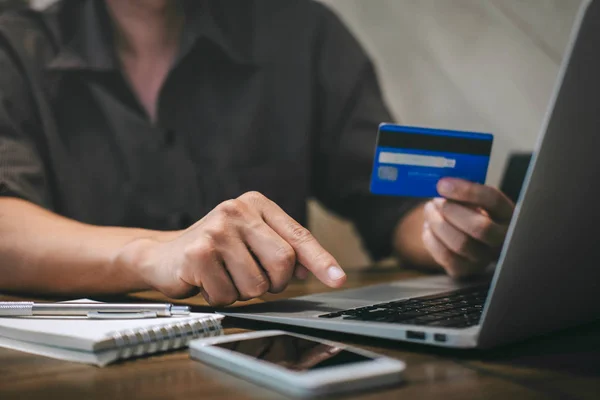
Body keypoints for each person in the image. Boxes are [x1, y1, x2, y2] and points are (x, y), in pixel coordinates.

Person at [0, 0, 514, 305]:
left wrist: (448, 233)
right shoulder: (14, 45)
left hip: (274, 362)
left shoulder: (299, 31)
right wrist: (156, 252)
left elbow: (393, 206)